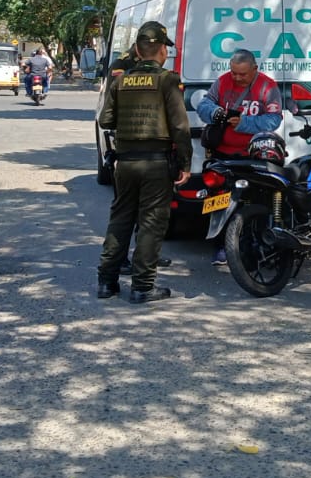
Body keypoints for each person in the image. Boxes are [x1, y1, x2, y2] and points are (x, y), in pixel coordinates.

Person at [96, 21, 193, 303]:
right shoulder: (167, 80)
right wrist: (185, 164)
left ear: (137, 50)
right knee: (151, 222)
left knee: (120, 219)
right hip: (156, 164)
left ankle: (106, 282)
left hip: (124, 164)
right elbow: (180, 128)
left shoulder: (121, 80)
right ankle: (142, 286)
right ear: (162, 50)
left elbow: (105, 120)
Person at [196, 49, 282, 263]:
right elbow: (203, 104)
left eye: (242, 74)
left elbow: (273, 120)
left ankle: (257, 245)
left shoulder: (268, 87)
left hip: (255, 155)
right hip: (222, 153)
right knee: (217, 200)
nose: (237, 78)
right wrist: (213, 112)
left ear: (254, 69)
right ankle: (220, 246)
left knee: (259, 200)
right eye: (234, 72)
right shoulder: (223, 81)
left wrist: (244, 124)